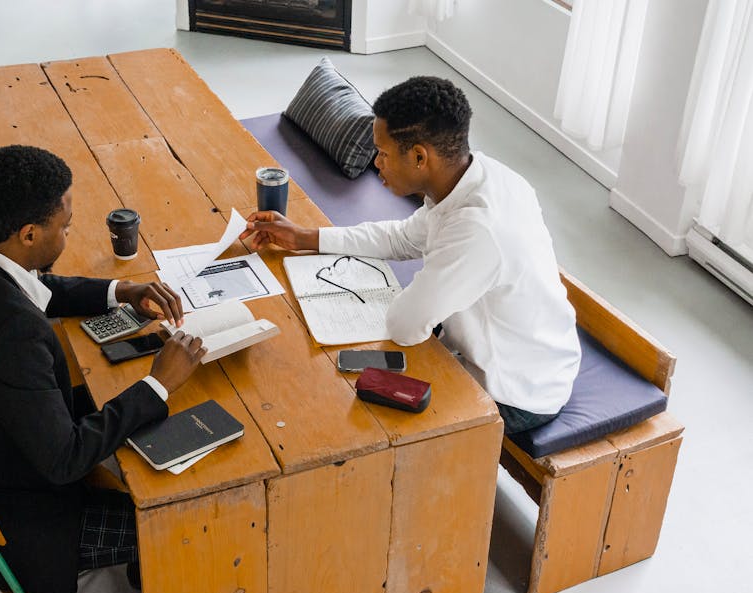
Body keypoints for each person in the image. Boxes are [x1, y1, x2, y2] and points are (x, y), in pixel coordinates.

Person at [0, 145, 206, 593]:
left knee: (115, 394)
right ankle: (156, 578)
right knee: (184, 513)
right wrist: (160, 382)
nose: (69, 233)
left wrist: (119, 289)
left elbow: (37, 286)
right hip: (14, 522)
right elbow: (64, 460)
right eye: (64, 226)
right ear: (29, 234)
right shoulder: (12, 335)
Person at [241, 76, 581, 434]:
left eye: (383, 154)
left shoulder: (478, 228)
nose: (376, 164)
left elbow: (403, 326)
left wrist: (409, 303)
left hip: (516, 391)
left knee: (351, 414)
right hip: (514, 350)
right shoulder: (473, 178)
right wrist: (303, 237)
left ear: (420, 157)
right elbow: (402, 238)